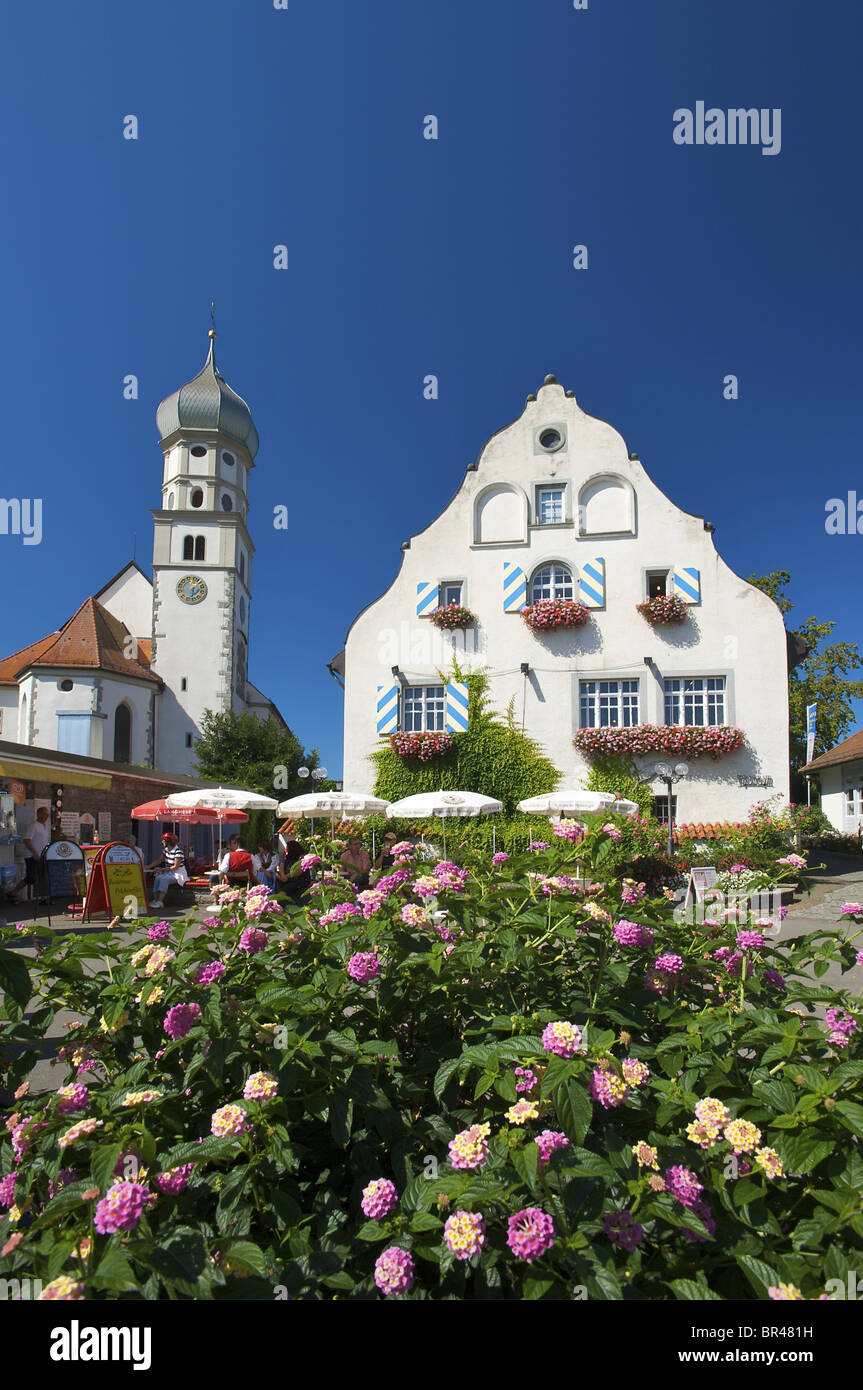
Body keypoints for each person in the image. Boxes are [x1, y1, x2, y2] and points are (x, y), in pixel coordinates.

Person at [18, 806, 51, 902]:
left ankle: (43, 898)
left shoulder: (44, 827)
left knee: (42, 876)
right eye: (45, 814)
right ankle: (14, 892)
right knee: (31, 878)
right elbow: (27, 840)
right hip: (32, 856)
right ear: (39, 814)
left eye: (47, 815)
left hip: (42, 856)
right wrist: (34, 853)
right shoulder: (33, 826)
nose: (46, 817)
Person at [146, 832, 188, 908]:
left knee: (164, 879)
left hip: (178, 874)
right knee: (158, 878)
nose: (162, 842)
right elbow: (158, 860)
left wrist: (162, 869)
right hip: (168, 872)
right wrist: (147, 867)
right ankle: (155, 900)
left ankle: (160, 901)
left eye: (164, 840)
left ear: (168, 842)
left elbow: (175, 867)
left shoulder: (178, 852)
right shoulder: (165, 850)